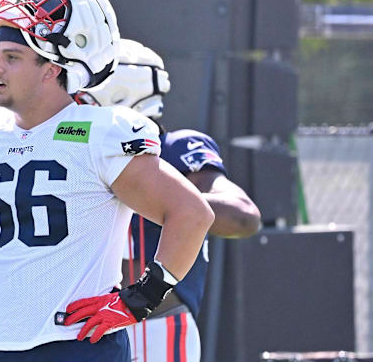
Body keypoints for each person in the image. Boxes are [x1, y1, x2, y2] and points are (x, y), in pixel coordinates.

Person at [0, 0, 215, 362]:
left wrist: (140, 298)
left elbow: (192, 214)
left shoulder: (98, 134)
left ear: (53, 68)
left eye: (13, 57)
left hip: (76, 346)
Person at [75, 38, 262, 362]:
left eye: (82, 87)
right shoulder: (69, 150)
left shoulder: (174, 149)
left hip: (153, 323)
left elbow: (243, 216)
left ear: (119, 91)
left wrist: (161, 199)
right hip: (80, 325)